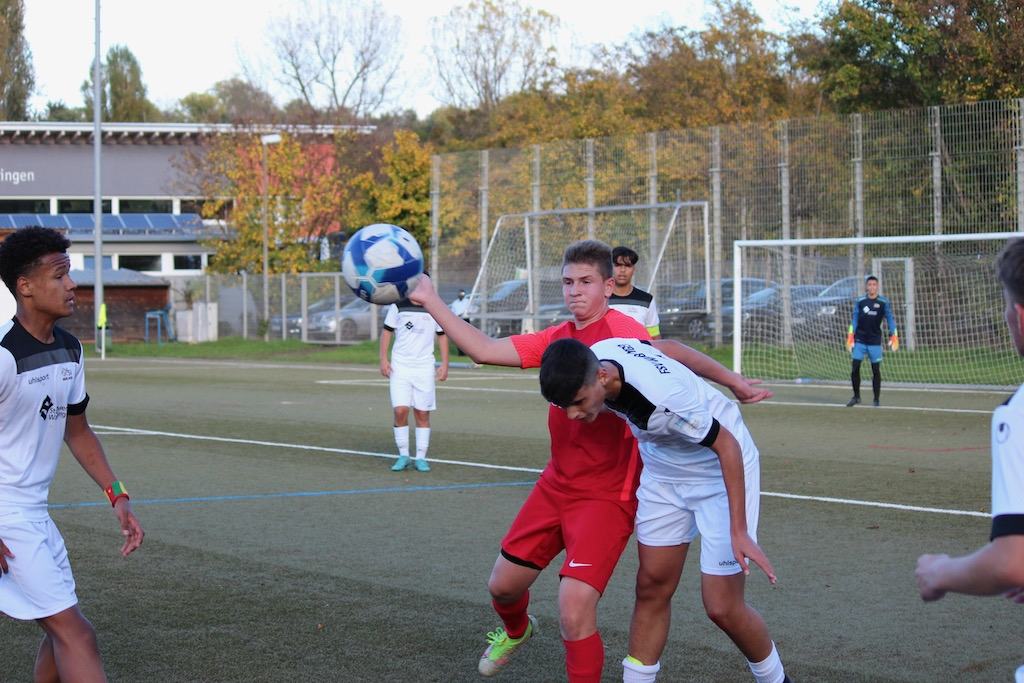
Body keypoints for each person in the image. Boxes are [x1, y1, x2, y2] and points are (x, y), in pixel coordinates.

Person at [407, 239, 772, 682]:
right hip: (556, 484)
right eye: (567, 282)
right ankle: (518, 631)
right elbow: (484, 350)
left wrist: (731, 380)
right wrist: (430, 299)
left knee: (574, 610)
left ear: (607, 287)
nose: (574, 291)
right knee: (502, 587)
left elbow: (670, 353)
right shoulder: (558, 340)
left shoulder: (622, 334)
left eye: (585, 282)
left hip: (608, 493)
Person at [539, 337, 791, 683]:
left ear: (602, 377)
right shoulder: (601, 353)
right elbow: (667, 348)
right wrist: (732, 379)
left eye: (579, 402)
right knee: (652, 586)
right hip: (662, 473)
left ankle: (777, 680)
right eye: (564, 405)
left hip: (719, 472)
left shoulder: (664, 400)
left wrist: (739, 530)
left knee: (722, 608)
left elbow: (727, 445)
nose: (573, 415)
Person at [0, 225, 145, 681]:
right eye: (59, 275)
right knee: (76, 635)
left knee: (61, 630)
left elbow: (77, 431)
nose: (72, 284)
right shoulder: (2, 355)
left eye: (70, 273)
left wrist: (117, 494)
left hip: (35, 515)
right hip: (7, 516)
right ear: (25, 286)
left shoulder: (70, 349)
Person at [916, 237, 1024, 683]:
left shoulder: (1017, 414)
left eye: (1007, 305)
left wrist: (940, 573)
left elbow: (1013, 561)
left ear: (1020, 317)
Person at [380, 296, 449, 472]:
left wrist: (445, 363)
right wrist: (383, 359)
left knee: (422, 413)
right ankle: (404, 455)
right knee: (400, 411)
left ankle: (420, 458)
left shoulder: (435, 307)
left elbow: (442, 335)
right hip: (400, 366)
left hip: (424, 367)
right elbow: (387, 332)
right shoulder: (398, 306)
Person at [845, 275, 898, 407]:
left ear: (877, 286)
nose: (872, 287)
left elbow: (890, 319)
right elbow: (855, 319)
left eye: (874, 284)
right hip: (860, 339)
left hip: (874, 340)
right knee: (855, 367)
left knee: (875, 370)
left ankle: (876, 399)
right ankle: (856, 396)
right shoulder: (861, 301)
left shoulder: (883, 302)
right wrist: (851, 334)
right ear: (866, 286)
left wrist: (894, 335)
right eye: (870, 285)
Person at [610, 246, 661, 339]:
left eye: (627, 266)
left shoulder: (646, 300)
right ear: (610, 268)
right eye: (618, 265)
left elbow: (654, 337)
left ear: (634, 270)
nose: (622, 270)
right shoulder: (600, 299)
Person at [449, 289, 472, 356]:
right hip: (458, 320)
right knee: (459, 337)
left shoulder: (467, 301)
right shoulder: (455, 303)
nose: (461, 295)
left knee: (466, 337)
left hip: (465, 320)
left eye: (462, 294)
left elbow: (470, 311)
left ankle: (467, 352)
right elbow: (453, 313)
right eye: (460, 293)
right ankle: (460, 353)